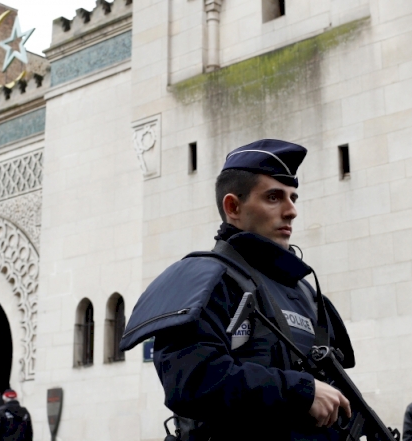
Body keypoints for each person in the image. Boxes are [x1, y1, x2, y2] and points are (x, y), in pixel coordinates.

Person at [120, 139, 356, 440]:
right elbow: (192, 382)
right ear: (233, 206)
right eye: (274, 197)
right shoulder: (204, 281)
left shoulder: (306, 294)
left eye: (293, 197)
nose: (291, 210)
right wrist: (299, 391)